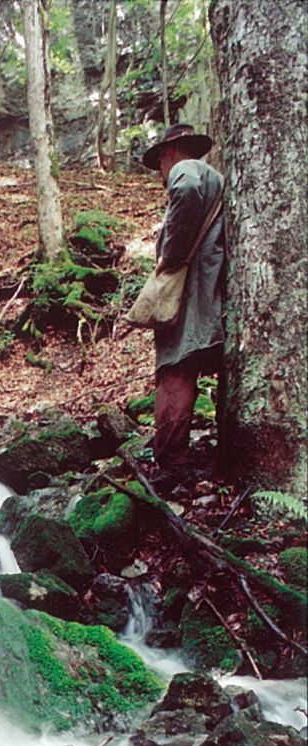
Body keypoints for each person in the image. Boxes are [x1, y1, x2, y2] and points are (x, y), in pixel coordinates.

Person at [142, 124, 225, 495]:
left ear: (168, 152)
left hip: (190, 298)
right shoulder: (215, 177)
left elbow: (186, 190)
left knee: (174, 372)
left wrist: (169, 254)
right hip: (208, 295)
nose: (161, 172)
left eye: (159, 161)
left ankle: (172, 468)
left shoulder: (185, 170)